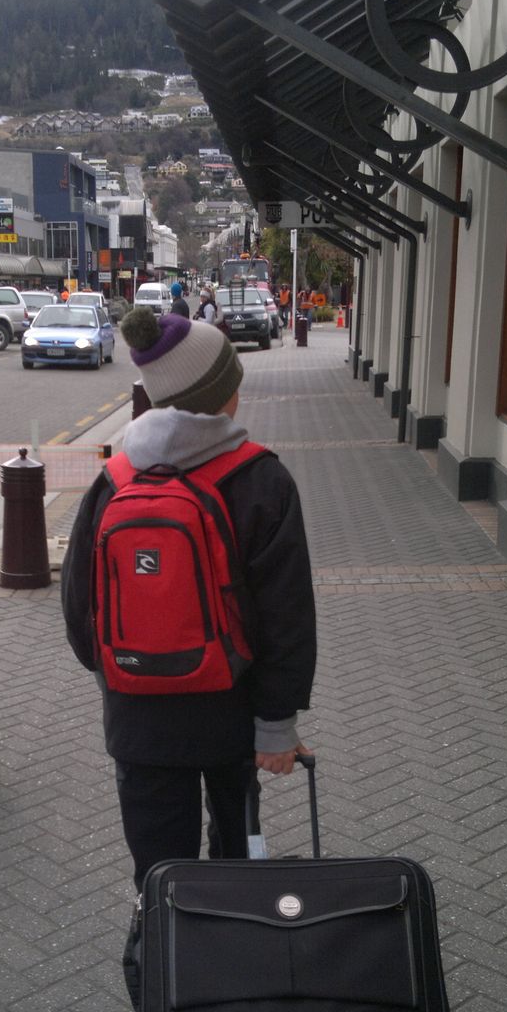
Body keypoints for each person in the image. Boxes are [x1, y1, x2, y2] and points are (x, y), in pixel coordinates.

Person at [61, 306, 317, 905]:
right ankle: (233, 965)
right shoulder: (262, 480)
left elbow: (80, 614)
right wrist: (276, 726)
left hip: (139, 722)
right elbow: (286, 618)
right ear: (222, 396)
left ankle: (166, 979)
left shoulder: (113, 480)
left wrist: (124, 677)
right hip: (234, 714)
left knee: (159, 874)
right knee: (237, 861)